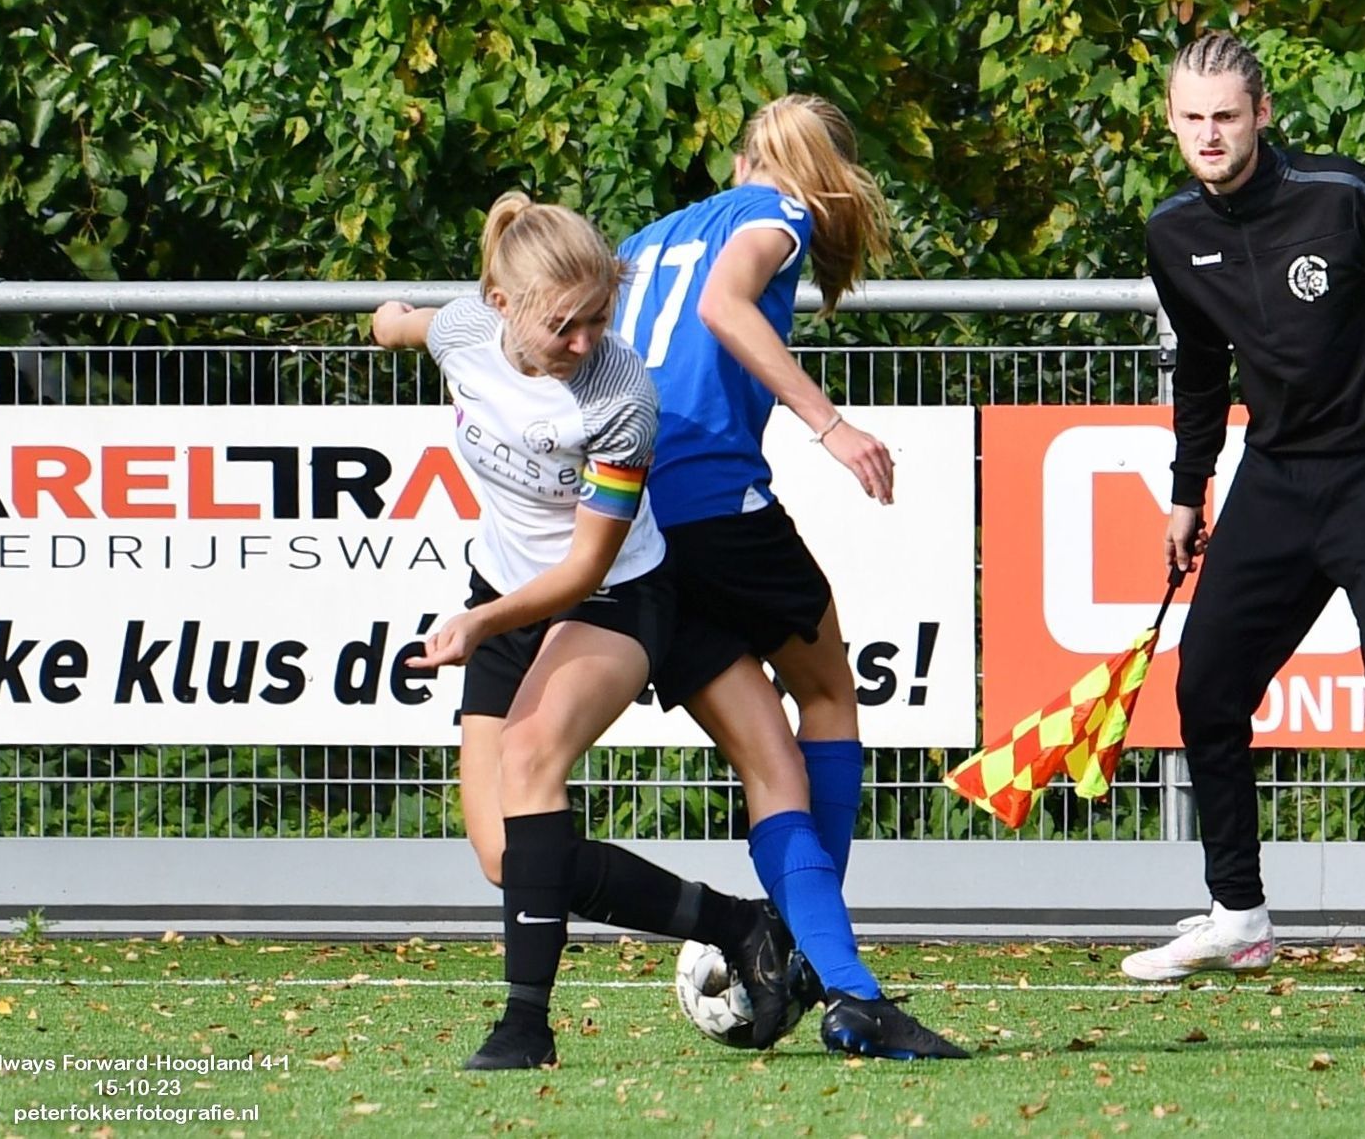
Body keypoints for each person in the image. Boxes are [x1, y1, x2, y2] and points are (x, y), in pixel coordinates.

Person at [1122, 32, 1365, 993]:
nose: (1210, 134)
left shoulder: (1344, 197)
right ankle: (1239, 917)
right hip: (1275, 479)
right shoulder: (1172, 232)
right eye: (1192, 118)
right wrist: (1187, 491)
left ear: (1262, 114)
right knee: (1205, 687)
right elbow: (1200, 371)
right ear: (1170, 121)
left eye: (1227, 116)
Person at [371, 192, 796, 1071]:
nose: (585, 341)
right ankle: (738, 923)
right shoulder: (466, 331)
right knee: (508, 857)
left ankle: (525, 1027)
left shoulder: (620, 396)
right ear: (501, 305)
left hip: (611, 597)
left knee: (531, 762)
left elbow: (584, 568)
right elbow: (407, 325)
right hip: (502, 595)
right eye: (563, 324)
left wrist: (478, 621)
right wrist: (389, 320)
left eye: (599, 317)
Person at [613, 93, 968, 1059]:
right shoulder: (777, 211)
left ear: (738, 156)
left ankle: (830, 972)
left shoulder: (648, 237)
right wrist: (831, 424)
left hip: (631, 525)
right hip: (714, 501)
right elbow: (724, 306)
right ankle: (823, 967)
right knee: (827, 693)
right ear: (825, 172)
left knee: (769, 763)